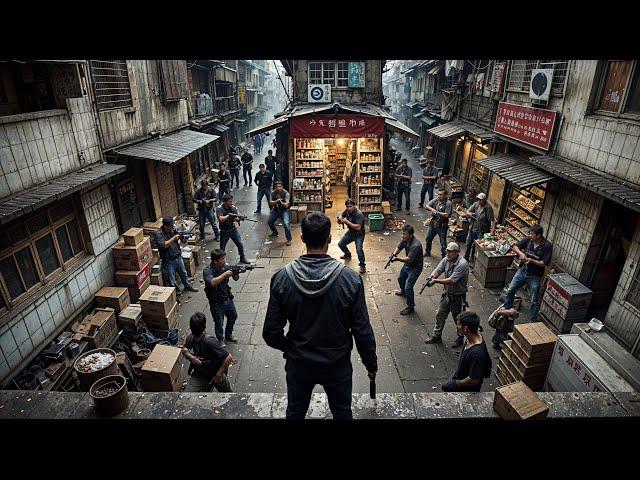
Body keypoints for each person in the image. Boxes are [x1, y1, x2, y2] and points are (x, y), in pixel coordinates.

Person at [263, 212, 378, 420]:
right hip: (337, 363)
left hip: (299, 364)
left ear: (302, 238)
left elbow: (270, 333)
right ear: (330, 238)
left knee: (295, 412)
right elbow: (362, 330)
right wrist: (371, 364)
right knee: (342, 413)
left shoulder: (282, 279)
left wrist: (292, 347)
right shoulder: (350, 280)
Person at [501, 225, 553, 323]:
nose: (530, 235)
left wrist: (532, 261)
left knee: (534, 299)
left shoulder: (547, 245)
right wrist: (520, 253)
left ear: (539, 235)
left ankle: (532, 321)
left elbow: (545, 263)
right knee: (511, 289)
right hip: (523, 271)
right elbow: (515, 247)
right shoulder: (528, 240)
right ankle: (508, 310)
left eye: (532, 234)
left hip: (535, 276)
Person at [425, 242, 469, 348]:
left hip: (457, 297)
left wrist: (435, 281)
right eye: (447, 251)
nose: (448, 254)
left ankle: (460, 338)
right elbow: (438, 269)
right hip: (447, 294)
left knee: (458, 320)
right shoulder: (447, 259)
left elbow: (451, 280)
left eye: (450, 252)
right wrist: (432, 276)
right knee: (440, 314)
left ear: (457, 252)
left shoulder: (462, 264)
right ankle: (437, 335)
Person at [182, 312, 236, 392]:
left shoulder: (210, 342)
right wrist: (192, 358)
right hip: (200, 373)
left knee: (227, 394)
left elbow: (228, 358)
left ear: (190, 327)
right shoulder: (190, 339)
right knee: (187, 394)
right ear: (204, 327)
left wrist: (218, 375)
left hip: (215, 372)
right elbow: (184, 349)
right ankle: (208, 386)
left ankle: (210, 385)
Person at [441, 311, 492, 392]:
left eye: (458, 325)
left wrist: (457, 384)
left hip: (466, 389)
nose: (457, 327)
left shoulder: (476, 353)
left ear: (465, 329)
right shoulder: (472, 335)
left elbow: (474, 380)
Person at [203, 249, 242, 345]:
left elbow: (236, 279)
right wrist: (224, 274)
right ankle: (220, 339)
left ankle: (228, 335)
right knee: (219, 322)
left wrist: (236, 272)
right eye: (222, 259)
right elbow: (212, 282)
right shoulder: (207, 270)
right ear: (215, 261)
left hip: (227, 298)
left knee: (233, 316)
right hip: (216, 302)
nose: (224, 260)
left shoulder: (226, 266)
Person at [155, 216, 199, 293]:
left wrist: (183, 238)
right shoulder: (159, 234)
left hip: (178, 256)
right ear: (165, 226)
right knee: (171, 279)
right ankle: (174, 294)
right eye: (171, 225)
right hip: (168, 259)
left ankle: (187, 286)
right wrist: (174, 238)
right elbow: (163, 245)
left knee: (183, 274)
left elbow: (183, 242)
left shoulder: (174, 230)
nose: (173, 227)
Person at [391, 224, 424, 315]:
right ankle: (403, 292)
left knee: (408, 287)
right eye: (402, 233)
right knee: (400, 279)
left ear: (411, 235)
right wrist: (394, 255)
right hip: (408, 265)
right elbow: (399, 247)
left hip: (415, 267)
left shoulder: (416, 245)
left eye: (404, 234)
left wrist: (397, 259)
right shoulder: (405, 240)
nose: (402, 236)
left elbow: (408, 259)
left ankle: (411, 307)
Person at [459, 192, 496, 263]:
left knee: (478, 246)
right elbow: (467, 211)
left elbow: (492, 220)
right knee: (468, 243)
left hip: (482, 230)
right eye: (478, 199)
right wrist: (470, 214)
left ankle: (474, 259)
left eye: (481, 200)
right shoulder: (476, 204)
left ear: (484, 200)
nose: (479, 201)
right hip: (473, 228)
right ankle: (466, 257)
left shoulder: (488, 208)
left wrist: (492, 230)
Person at [216, 193, 250, 264]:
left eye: (232, 201)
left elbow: (236, 218)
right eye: (230, 201)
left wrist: (238, 219)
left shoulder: (233, 208)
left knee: (240, 244)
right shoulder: (219, 208)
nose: (231, 203)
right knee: (222, 248)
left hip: (232, 229)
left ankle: (242, 258)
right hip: (224, 231)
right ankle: (220, 261)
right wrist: (228, 216)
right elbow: (221, 219)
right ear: (225, 202)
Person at [337, 198, 366, 274]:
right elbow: (341, 216)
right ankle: (347, 254)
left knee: (359, 250)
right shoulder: (347, 211)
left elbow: (358, 227)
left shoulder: (358, 214)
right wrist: (340, 219)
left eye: (350, 206)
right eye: (347, 206)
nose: (349, 208)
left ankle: (362, 265)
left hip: (359, 234)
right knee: (341, 244)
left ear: (354, 206)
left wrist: (347, 222)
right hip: (351, 232)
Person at [424, 188, 453, 258]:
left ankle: (444, 257)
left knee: (443, 243)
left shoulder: (448, 203)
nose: (439, 196)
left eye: (441, 195)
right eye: (438, 194)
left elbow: (447, 215)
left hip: (442, 226)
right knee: (428, 238)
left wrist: (437, 212)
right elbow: (426, 206)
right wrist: (432, 209)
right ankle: (427, 251)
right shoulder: (436, 200)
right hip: (433, 223)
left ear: (445, 195)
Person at [267, 180, 292, 246]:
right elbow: (270, 202)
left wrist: (283, 203)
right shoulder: (272, 193)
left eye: (280, 186)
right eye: (277, 187)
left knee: (286, 224)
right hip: (276, 209)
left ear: (282, 187)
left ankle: (289, 239)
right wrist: (276, 201)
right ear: (275, 187)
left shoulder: (286, 193)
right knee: (270, 222)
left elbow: (287, 204)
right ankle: (275, 232)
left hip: (284, 210)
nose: (279, 188)